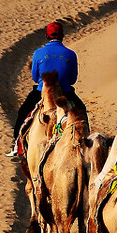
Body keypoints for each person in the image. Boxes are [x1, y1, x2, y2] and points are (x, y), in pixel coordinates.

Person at [9, 22, 79, 157]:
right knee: (81, 112)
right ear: (62, 36)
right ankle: (83, 143)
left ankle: (17, 145)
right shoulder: (71, 54)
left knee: (23, 113)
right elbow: (73, 79)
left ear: (47, 36)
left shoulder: (38, 53)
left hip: (42, 93)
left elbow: (35, 77)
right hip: (65, 93)